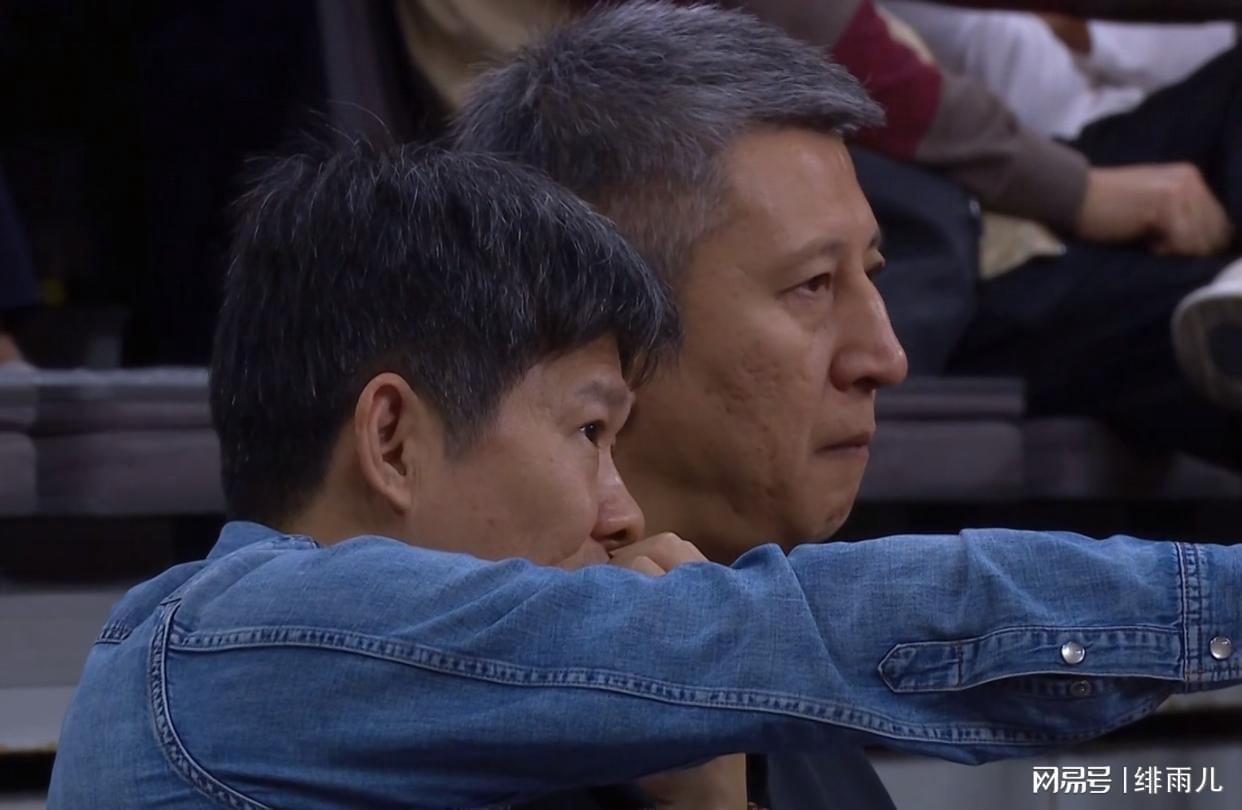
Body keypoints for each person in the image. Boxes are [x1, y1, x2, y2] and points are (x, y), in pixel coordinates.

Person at [45, 137, 1242, 808]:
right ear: (394, 439)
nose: (619, 509)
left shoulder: (435, 737)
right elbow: (811, 627)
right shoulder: (235, 650)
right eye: (587, 434)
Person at [452, 2, 1242, 805]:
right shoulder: (464, 727)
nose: (887, 359)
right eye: (813, 286)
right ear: (601, 329)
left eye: (873, 273)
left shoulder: (766, 677)